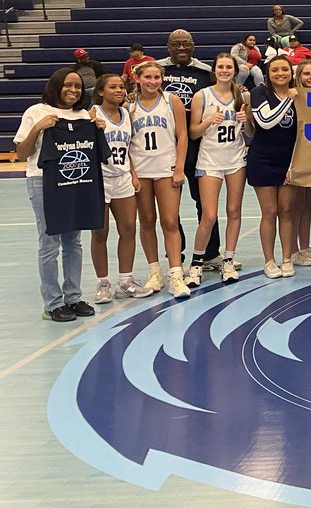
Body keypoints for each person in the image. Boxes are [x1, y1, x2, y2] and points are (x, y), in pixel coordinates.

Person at [15, 67, 107, 321]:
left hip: (76, 182)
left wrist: (97, 128)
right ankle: (53, 303)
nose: (73, 90)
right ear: (56, 85)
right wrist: (38, 128)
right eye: (68, 85)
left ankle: (74, 297)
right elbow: (22, 154)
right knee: (49, 243)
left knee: (73, 242)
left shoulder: (84, 115)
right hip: (42, 182)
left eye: (77, 86)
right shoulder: (36, 112)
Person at [157, 30, 221, 266]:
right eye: (176, 44)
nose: (181, 48)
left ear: (193, 46)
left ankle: (211, 252)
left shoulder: (205, 72)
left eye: (186, 44)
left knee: (205, 201)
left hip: (197, 144)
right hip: (164, 145)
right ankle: (176, 254)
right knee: (169, 204)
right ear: (168, 47)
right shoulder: (156, 71)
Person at [127, 61, 190, 299]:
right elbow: (124, 140)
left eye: (156, 77)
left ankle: (176, 273)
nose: (152, 82)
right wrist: (132, 172)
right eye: (148, 77)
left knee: (170, 221)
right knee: (146, 221)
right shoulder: (129, 105)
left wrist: (179, 168)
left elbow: (182, 136)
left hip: (166, 168)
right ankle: (155, 271)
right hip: (141, 170)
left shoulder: (172, 101)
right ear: (138, 79)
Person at [184, 53, 247, 288]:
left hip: (235, 160)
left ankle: (228, 260)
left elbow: (249, 131)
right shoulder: (202, 96)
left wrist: (246, 118)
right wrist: (209, 120)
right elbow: (193, 133)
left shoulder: (243, 95)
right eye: (220, 67)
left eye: (228, 67)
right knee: (209, 216)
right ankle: (196, 264)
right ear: (214, 70)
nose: (224, 71)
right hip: (209, 160)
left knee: (233, 211)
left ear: (234, 70)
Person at [87, 74, 151, 303]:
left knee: (128, 229)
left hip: (123, 177)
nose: (119, 90)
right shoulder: (93, 113)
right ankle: (102, 283)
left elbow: (128, 148)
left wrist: (133, 174)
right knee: (100, 232)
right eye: (112, 87)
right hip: (100, 178)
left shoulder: (126, 114)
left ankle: (125, 281)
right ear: (101, 91)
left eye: (121, 87)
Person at [246, 54, 299, 279]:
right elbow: (265, 122)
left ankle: (287, 258)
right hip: (263, 159)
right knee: (269, 211)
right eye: (275, 70)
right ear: (268, 73)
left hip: (289, 161)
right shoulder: (259, 93)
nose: (280, 74)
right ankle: (269, 260)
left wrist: (296, 163)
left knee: (287, 211)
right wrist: (288, 99)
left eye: (284, 70)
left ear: (291, 73)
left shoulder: (301, 96)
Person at [287, 60, 311, 268]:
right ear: (299, 76)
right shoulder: (293, 97)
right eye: (306, 74)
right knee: (295, 206)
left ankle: (305, 247)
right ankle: (292, 250)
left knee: (308, 203)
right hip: (295, 156)